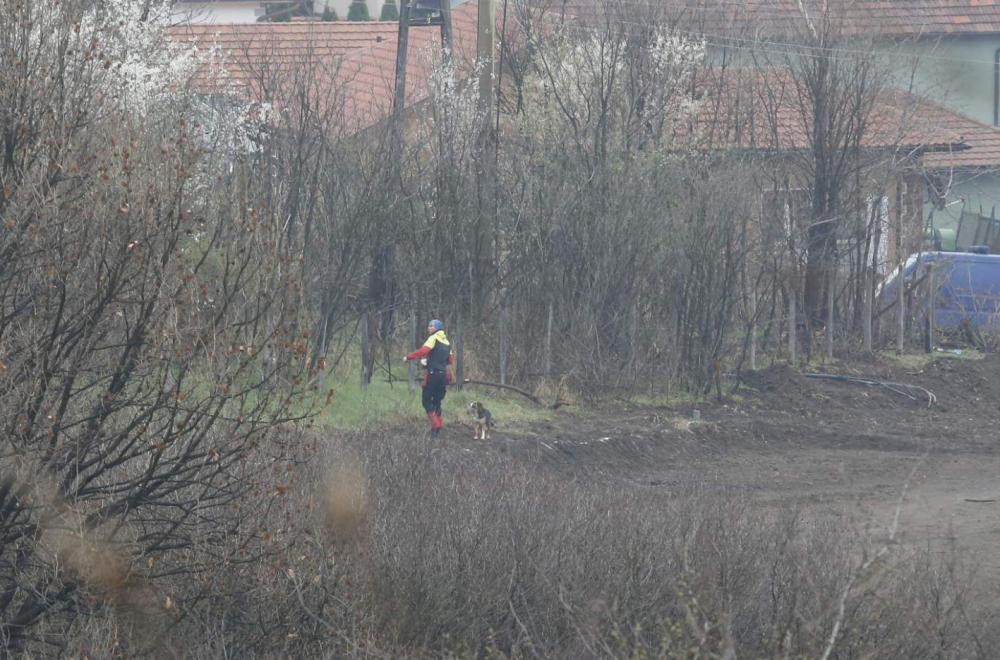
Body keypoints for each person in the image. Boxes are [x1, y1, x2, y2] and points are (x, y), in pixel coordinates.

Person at [402, 319, 453, 434]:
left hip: (433, 375)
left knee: (426, 401)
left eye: (431, 326)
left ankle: (435, 424)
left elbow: (423, 351)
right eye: (429, 325)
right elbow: (450, 360)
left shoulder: (433, 338)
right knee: (437, 402)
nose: (429, 328)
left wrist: (408, 357)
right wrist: (433, 362)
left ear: (437, 328)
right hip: (443, 376)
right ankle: (438, 425)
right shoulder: (448, 343)